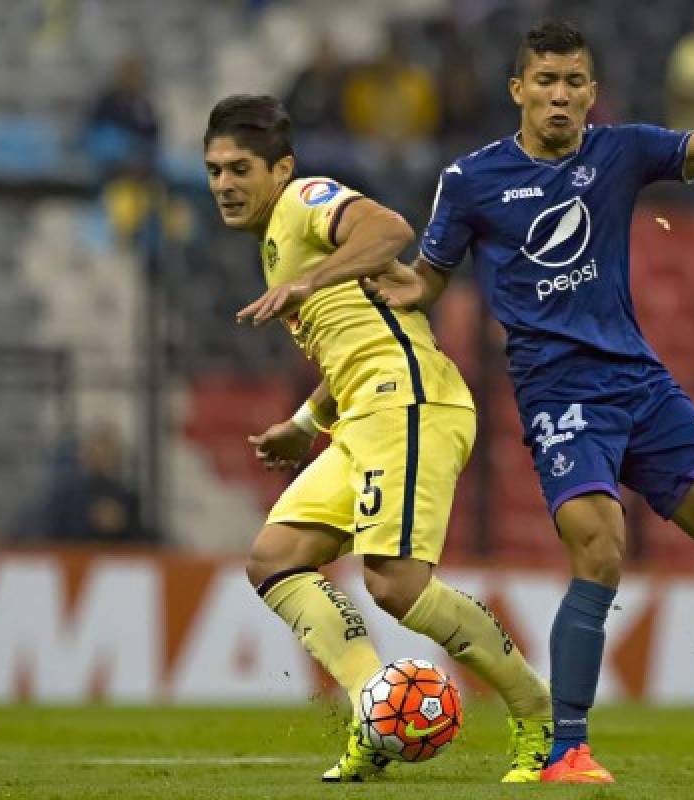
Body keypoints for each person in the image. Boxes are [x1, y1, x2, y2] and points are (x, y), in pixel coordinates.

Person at [366, 21, 694, 784]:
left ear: (591, 92)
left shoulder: (619, 150)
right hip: (558, 394)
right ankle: (567, 747)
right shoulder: (471, 180)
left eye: (574, 82)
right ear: (519, 91)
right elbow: (430, 278)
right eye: (545, 82)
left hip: (639, 384)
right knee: (601, 548)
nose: (560, 95)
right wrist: (408, 286)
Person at [208, 94, 551, 783]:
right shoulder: (277, 242)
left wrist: (311, 277)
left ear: (282, 168)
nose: (224, 185)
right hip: (365, 412)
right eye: (214, 170)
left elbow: (389, 227)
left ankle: (539, 715)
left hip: (412, 401)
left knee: (395, 584)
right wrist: (303, 425)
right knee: (275, 559)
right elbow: (356, 347)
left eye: (240, 168)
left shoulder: (306, 200)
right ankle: (373, 705)